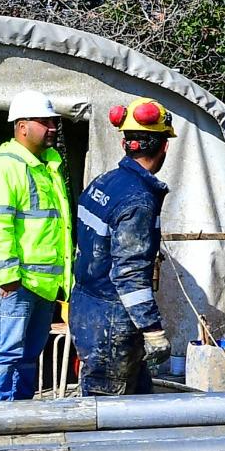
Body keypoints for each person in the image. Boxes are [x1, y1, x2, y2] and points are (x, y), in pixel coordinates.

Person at [71, 97, 176, 396]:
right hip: (112, 321)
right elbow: (129, 274)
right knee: (107, 411)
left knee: (136, 404)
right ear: (164, 147)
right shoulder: (139, 200)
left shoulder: (104, 182)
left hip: (87, 306)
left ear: (125, 144)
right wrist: (152, 330)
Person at [0, 90, 72, 401]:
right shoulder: (2, 167)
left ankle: (21, 421)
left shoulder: (48, 168)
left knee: (28, 358)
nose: (52, 128)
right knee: (5, 355)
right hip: (15, 285)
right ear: (22, 126)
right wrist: (6, 277)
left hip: (43, 285)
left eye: (53, 122)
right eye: (45, 122)